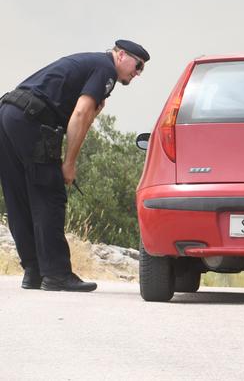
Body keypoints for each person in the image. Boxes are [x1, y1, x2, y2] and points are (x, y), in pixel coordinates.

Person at [0, 41, 149, 292]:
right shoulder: (106, 69)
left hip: (7, 114)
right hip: (31, 120)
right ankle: (57, 274)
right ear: (121, 55)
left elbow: (80, 112)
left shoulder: (90, 63)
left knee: (19, 198)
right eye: (138, 65)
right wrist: (69, 163)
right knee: (49, 194)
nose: (138, 72)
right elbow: (80, 115)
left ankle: (34, 271)